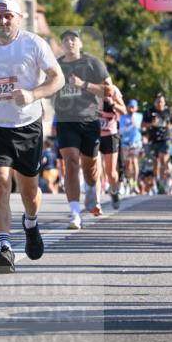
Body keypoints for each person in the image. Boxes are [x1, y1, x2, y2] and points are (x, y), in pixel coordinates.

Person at [0, 0, 64, 274]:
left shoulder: (33, 44)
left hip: (28, 126)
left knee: (29, 191)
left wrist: (33, 94)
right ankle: (5, 248)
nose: (4, 21)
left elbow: (57, 78)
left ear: (19, 18)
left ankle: (31, 222)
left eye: (9, 16)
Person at [53, 29, 110, 229]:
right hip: (65, 121)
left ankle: (92, 192)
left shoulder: (93, 63)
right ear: (62, 45)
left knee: (90, 166)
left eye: (73, 39)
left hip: (89, 119)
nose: (69, 42)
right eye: (65, 39)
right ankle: (75, 213)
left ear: (80, 43)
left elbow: (107, 90)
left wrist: (83, 84)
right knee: (70, 163)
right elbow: (46, 87)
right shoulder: (56, 66)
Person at [99, 79, 126, 209]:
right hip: (94, 134)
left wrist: (113, 104)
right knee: (96, 169)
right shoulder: (90, 89)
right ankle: (96, 201)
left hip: (110, 134)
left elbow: (124, 110)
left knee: (111, 172)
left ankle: (114, 192)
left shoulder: (114, 90)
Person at [142, 92, 172, 193]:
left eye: (162, 102)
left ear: (164, 102)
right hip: (153, 139)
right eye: (158, 102)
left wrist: (170, 127)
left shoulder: (168, 111)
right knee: (155, 162)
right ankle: (157, 181)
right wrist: (151, 124)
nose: (160, 104)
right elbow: (143, 125)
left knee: (164, 159)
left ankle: (166, 181)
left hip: (165, 138)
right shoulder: (149, 111)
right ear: (155, 102)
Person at [119, 98, 144, 194]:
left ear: (136, 108)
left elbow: (137, 126)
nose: (131, 108)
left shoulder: (139, 116)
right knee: (128, 163)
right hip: (125, 142)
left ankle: (135, 183)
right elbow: (121, 131)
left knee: (134, 161)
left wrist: (133, 118)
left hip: (136, 142)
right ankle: (130, 182)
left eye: (133, 107)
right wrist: (128, 125)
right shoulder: (123, 117)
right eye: (130, 106)